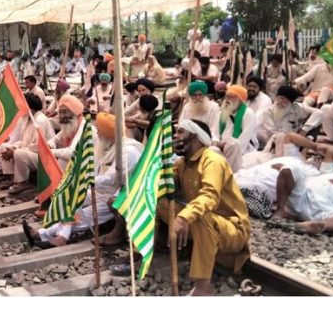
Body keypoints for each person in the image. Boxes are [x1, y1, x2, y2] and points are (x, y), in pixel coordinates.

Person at [159, 119, 250, 296]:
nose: (175, 136)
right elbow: (167, 186)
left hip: (233, 229)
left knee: (200, 217)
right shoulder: (182, 163)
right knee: (161, 204)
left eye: (180, 132)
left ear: (195, 137)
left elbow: (210, 196)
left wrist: (184, 217)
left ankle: (203, 288)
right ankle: (146, 255)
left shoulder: (212, 161)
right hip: (206, 223)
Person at [25, 113, 143, 248]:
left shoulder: (128, 151)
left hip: (118, 194)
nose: (97, 132)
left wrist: (85, 181)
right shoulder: (107, 145)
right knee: (67, 198)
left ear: (108, 133)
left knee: (84, 215)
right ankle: (49, 235)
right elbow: (96, 170)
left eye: (99, 129)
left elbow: (110, 179)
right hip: (100, 189)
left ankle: (50, 235)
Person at [11, 95, 83, 193]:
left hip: (82, 165)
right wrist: (49, 145)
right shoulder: (70, 124)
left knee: (61, 159)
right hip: (42, 153)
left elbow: (71, 152)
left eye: (66, 112)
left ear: (75, 112)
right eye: (61, 113)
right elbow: (55, 140)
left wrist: (49, 150)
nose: (62, 116)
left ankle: (54, 191)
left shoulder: (83, 127)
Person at [257, 85, 322, 149]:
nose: (279, 101)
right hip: (276, 143)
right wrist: (293, 138)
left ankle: (305, 150)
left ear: (290, 102)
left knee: (315, 124)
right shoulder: (268, 112)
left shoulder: (297, 108)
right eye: (278, 98)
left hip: (297, 141)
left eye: (283, 99)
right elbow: (274, 134)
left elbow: (319, 113)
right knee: (280, 136)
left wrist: (304, 130)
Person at [212, 85, 258, 172]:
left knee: (234, 147)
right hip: (221, 147)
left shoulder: (248, 114)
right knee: (211, 150)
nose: (228, 99)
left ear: (240, 100)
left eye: (232, 97)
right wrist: (216, 143)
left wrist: (227, 146)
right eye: (227, 96)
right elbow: (215, 133)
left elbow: (243, 140)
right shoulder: (221, 113)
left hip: (243, 151)